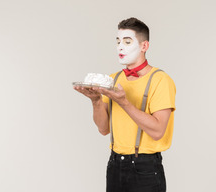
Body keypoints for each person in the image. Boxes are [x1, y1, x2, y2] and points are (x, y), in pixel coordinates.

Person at [74, 17, 176, 192]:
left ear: (144, 46)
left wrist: (124, 102)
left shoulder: (160, 80)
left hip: (145, 169)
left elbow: (158, 131)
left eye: (127, 42)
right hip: (115, 165)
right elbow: (104, 128)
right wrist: (96, 100)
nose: (120, 46)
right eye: (118, 41)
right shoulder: (114, 79)